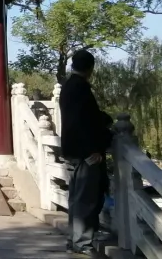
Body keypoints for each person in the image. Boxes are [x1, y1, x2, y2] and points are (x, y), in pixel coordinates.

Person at [59, 49, 113, 257]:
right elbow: (85, 122)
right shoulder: (80, 88)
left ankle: (74, 239)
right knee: (86, 198)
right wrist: (94, 148)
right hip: (85, 152)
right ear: (91, 68)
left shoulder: (68, 86)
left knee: (76, 198)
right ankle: (81, 242)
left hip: (72, 149)